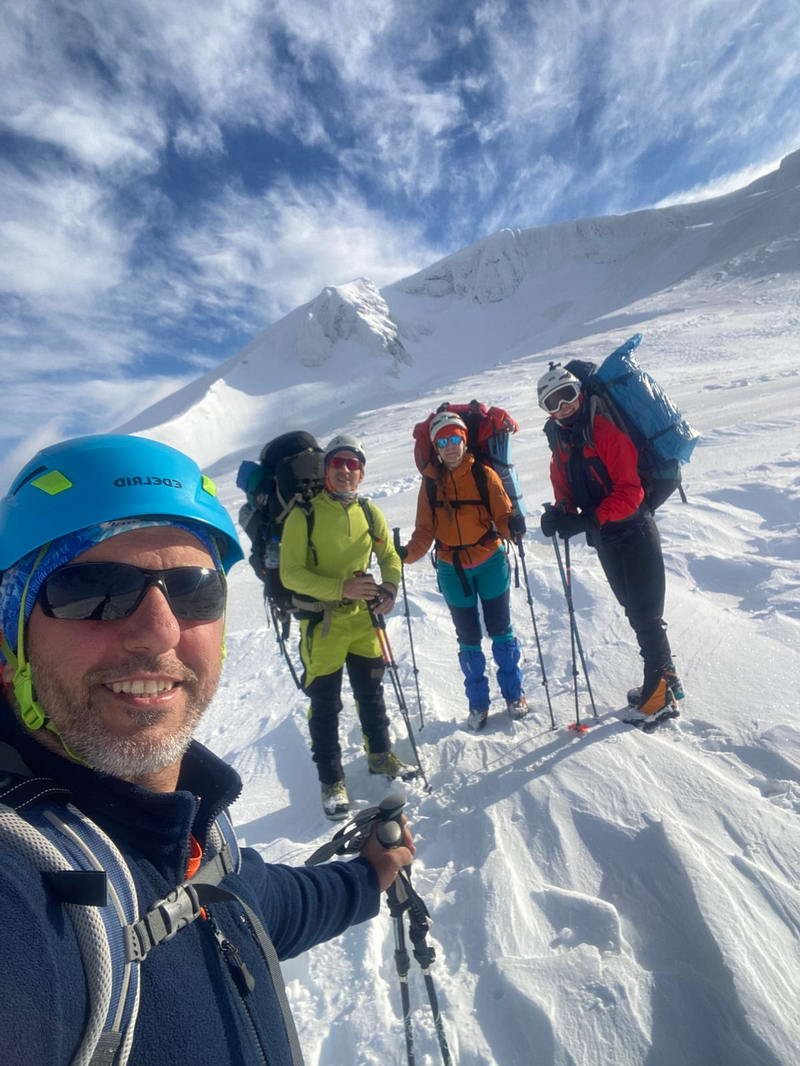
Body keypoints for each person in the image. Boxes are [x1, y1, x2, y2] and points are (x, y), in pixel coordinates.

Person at [0, 433, 413, 1066]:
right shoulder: (26, 891)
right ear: (10, 647)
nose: (160, 630)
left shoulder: (196, 838)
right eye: (91, 589)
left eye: (194, 588)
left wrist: (367, 876)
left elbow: (255, 902)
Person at [537, 364, 683, 716]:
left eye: (568, 396)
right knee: (635, 611)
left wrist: (588, 519)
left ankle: (660, 698)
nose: (564, 407)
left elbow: (631, 492)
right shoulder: (561, 441)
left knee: (646, 614)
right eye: (553, 403)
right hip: (605, 537)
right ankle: (667, 678)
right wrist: (560, 513)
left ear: (580, 392)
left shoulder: (604, 430)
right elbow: (564, 486)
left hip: (635, 529)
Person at [279, 433, 408, 819]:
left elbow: (389, 555)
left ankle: (380, 755)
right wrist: (341, 588)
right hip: (323, 624)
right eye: (338, 463)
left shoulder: (368, 512)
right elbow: (290, 573)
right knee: (325, 704)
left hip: (363, 621)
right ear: (326, 469)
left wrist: (389, 587)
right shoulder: (304, 515)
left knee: (371, 692)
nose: (346, 470)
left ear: (362, 473)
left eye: (353, 465)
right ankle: (331, 780)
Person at [400, 412, 528, 731]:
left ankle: (514, 695)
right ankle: (478, 704)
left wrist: (513, 528)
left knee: (500, 629)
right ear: (436, 448)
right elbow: (424, 530)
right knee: (468, 637)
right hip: (451, 569)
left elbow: (503, 515)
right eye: (442, 441)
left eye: (455, 438)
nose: (450, 446)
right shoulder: (431, 483)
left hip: (490, 562)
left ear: (464, 440)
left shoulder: (484, 475)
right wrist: (406, 555)